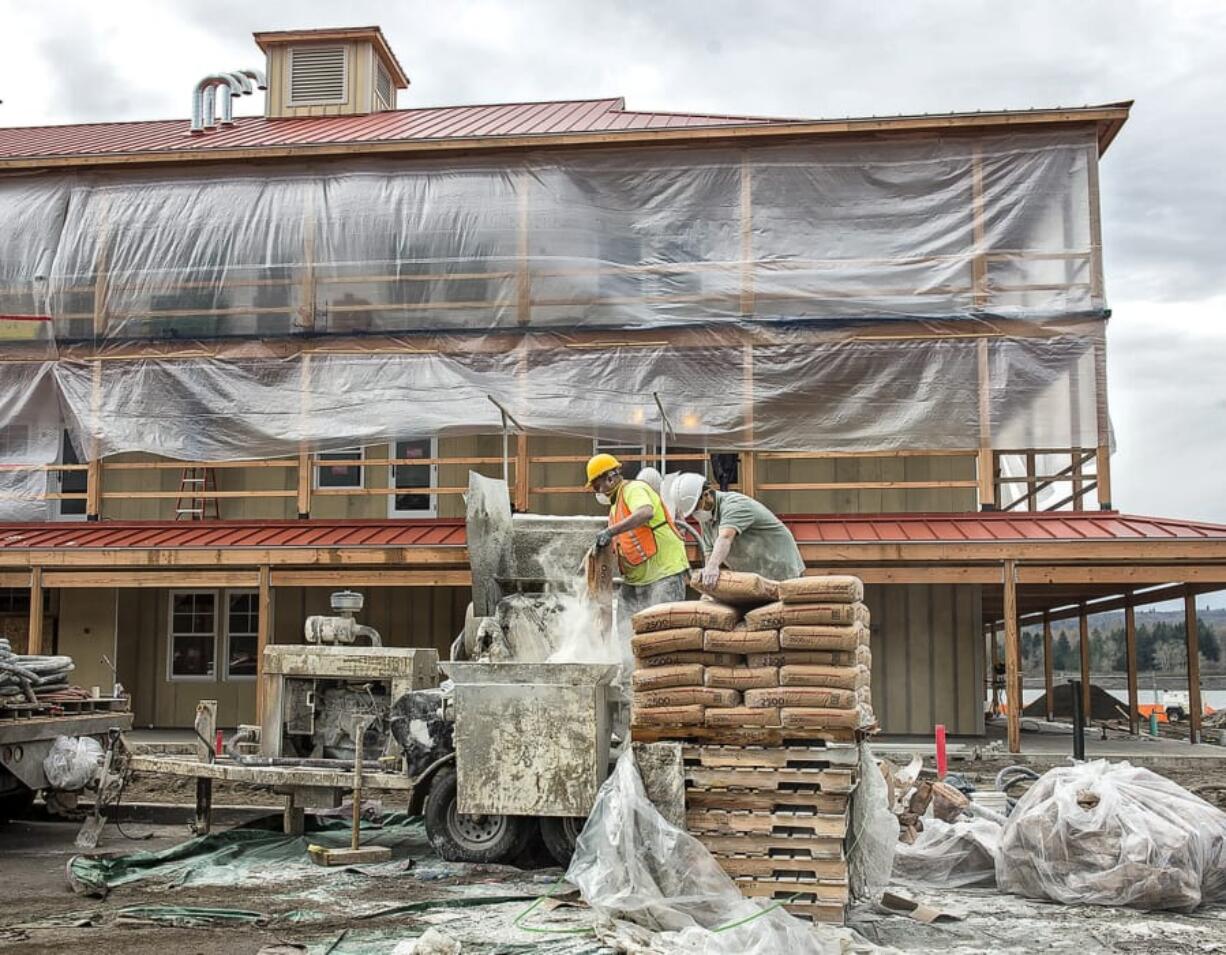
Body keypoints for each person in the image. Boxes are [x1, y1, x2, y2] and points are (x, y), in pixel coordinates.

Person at [585, 453, 689, 616]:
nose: (597, 492)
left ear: (610, 479)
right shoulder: (615, 507)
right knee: (626, 626)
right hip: (638, 579)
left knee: (662, 631)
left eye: (597, 487)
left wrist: (610, 531)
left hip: (664, 572)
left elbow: (645, 512)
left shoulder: (633, 489)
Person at [667, 471, 804, 585]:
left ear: (707, 494)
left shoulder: (734, 505)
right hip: (757, 575)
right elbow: (710, 551)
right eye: (693, 512)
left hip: (779, 565)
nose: (696, 514)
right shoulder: (707, 519)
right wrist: (707, 576)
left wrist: (713, 567)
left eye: (697, 507)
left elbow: (725, 537)